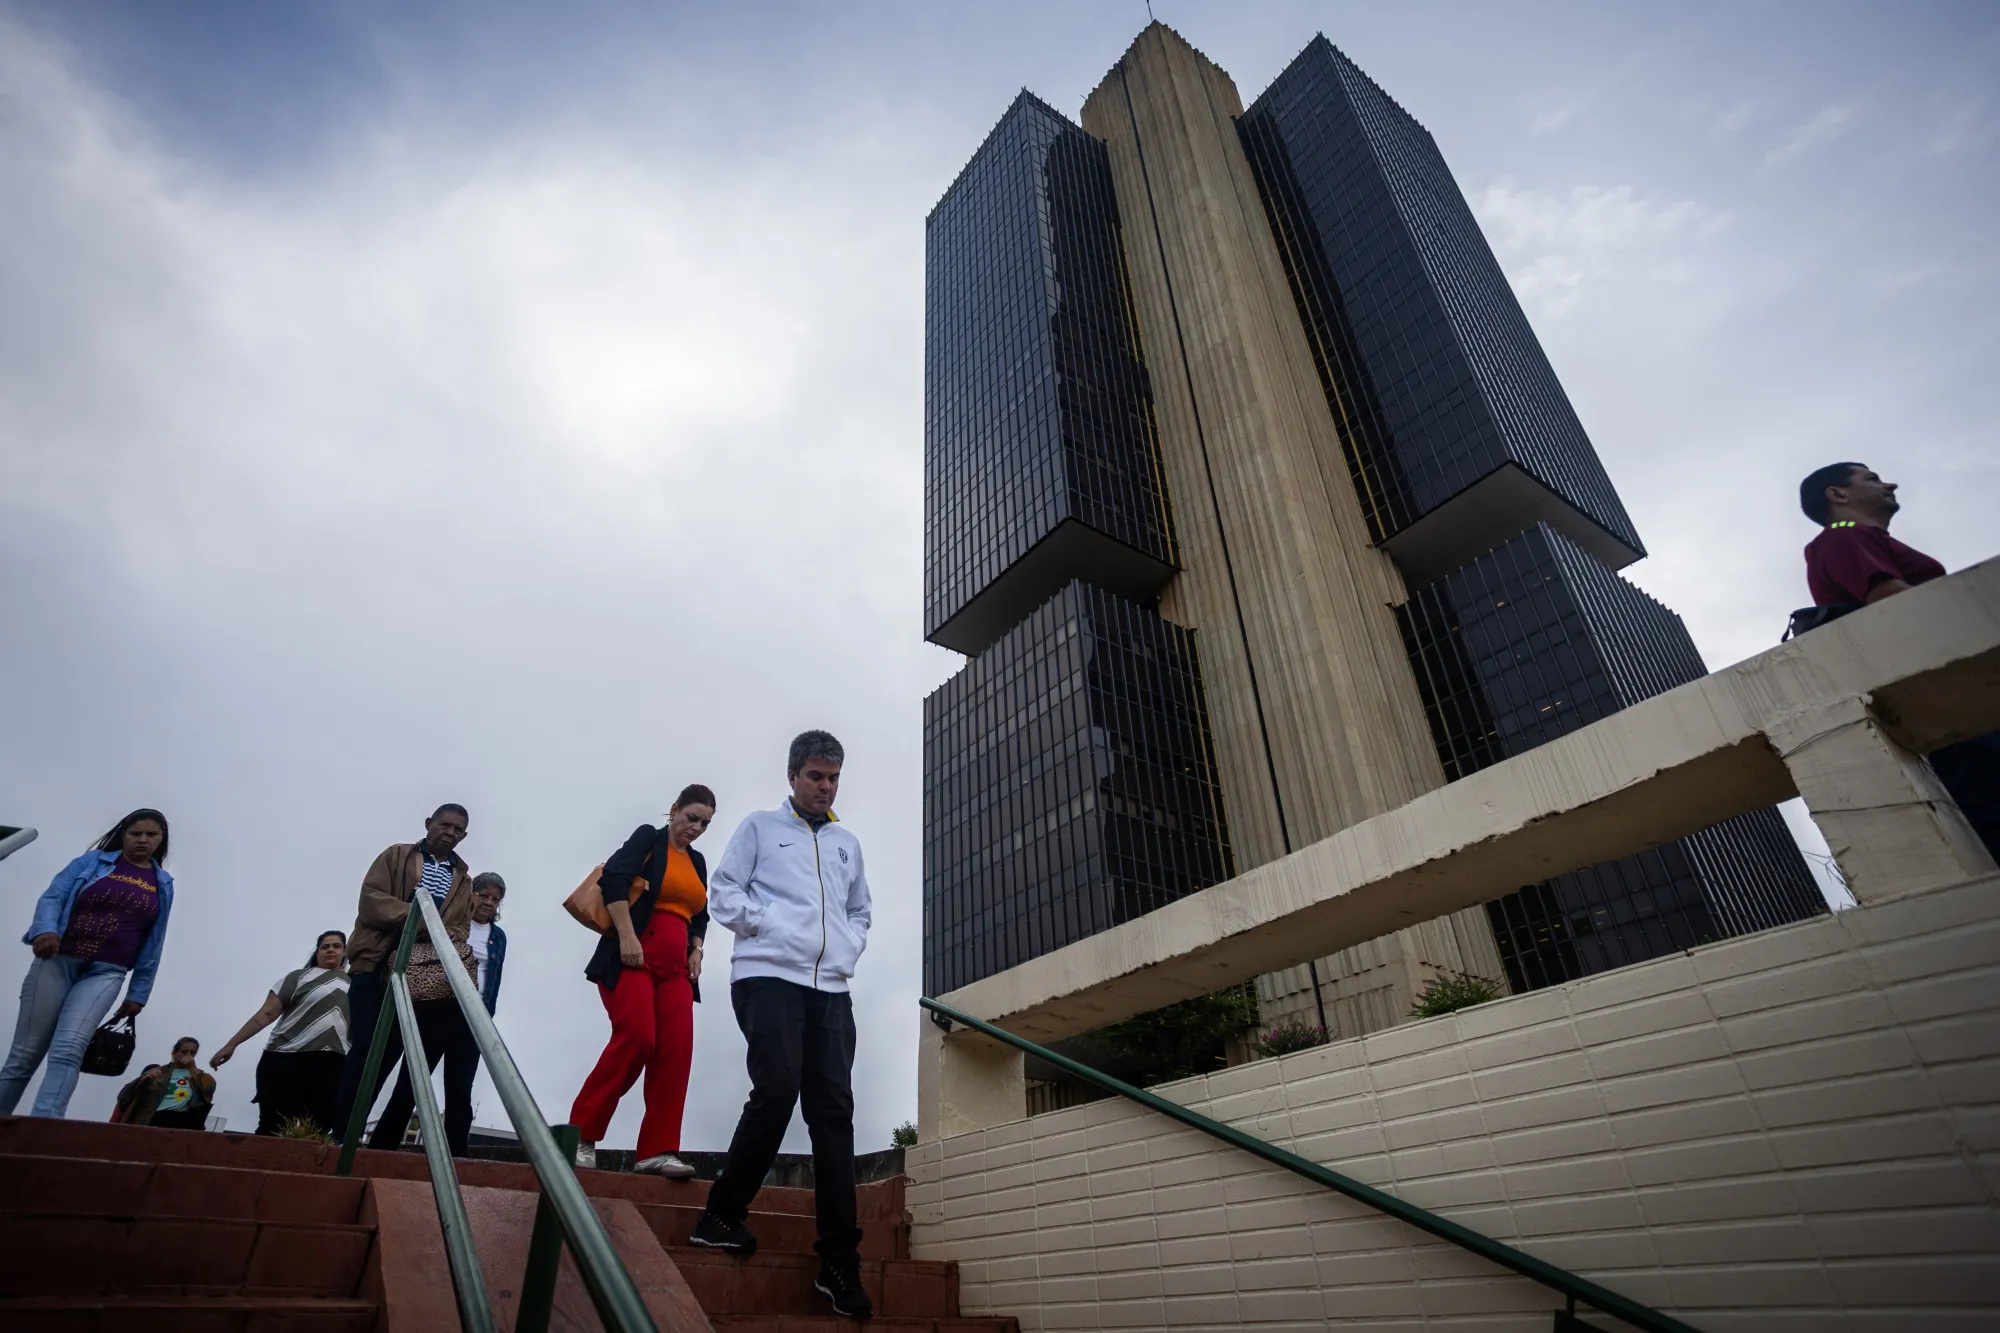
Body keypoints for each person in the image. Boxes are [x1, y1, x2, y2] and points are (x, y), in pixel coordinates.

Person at [691, 733, 874, 1321]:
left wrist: (848, 945)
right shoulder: (759, 829)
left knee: (834, 1111)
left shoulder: (847, 844)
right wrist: (771, 927)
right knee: (777, 1087)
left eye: (834, 778)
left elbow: (859, 911)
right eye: (816, 776)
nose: (825, 786)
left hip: (831, 989)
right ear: (793, 775)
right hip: (767, 976)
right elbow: (723, 893)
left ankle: (839, 1262)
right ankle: (720, 1215)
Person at [1799, 462, 1999, 858]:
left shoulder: (1855, 538)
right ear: (1838, 495)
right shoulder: (1842, 536)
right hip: (1949, 702)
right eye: (1871, 478)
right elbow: (1892, 602)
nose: (1888, 483)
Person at [568, 785, 716, 1178]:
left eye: (704, 823)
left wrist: (697, 950)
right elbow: (614, 880)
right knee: (637, 1037)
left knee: (675, 1052)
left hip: (676, 972)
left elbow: (700, 913)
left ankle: (657, 1151)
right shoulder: (647, 838)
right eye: (691, 818)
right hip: (633, 957)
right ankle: (579, 1135)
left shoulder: (698, 862)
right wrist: (628, 938)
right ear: (674, 810)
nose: (696, 828)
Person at [1, 810, 176, 1119]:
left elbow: (155, 938)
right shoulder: (92, 863)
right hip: (58, 961)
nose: (143, 840)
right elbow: (54, 897)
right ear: (124, 834)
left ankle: (44, 1127)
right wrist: (45, 930)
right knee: (25, 1054)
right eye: (136, 833)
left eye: (152, 835)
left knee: (69, 1049)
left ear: (161, 841)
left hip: (107, 972)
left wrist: (139, 992)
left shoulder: (161, 883)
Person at [332, 804, 475, 1140]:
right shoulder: (396, 856)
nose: (450, 833)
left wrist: (449, 932)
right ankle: (339, 1133)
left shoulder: (463, 879)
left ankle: (361, 1135)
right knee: (367, 1048)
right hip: (376, 964)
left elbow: (461, 928)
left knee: (392, 1055)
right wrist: (419, 918)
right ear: (429, 824)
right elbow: (371, 899)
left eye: (458, 830)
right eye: (445, 825)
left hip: (420, 979)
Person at [211, 931, 351, 1135]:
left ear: (345, 951)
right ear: (317, 952)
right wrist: (232, 1044)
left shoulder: (355, 984)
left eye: (336, 946)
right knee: (273, 1125)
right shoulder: (298, 977)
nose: (330, 949)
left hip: (333, 1061)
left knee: (317, 1128)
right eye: (325, 946)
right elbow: (266, 1014)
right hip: (285, 1057)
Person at [113, 1036, 215, 1129]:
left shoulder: (197, 1073)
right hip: (152, 1119)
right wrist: (143, 1080)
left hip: (181, 1120)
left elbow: (210, 1087)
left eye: (192, 1053)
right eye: (184, 1052)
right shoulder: (159, 1071)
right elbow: (124, 1095)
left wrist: (193, 1068)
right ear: (174, 1053)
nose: (188, 1055)